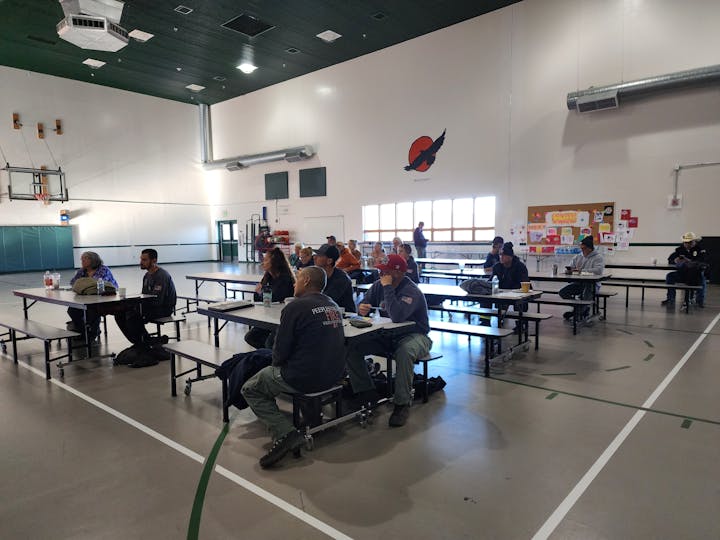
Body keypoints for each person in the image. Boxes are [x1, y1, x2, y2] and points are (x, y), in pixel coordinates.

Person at [241, 266, 346, 468]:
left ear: (306, 281)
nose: (294, 283)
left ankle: (286, 434)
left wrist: (275, 369)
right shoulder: (333, 306)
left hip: (304, 377)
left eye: (297, 279)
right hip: (334, 375)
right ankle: (308, 416)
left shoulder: (295, 307)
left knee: (251, 388)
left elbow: (280, 350)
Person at [346, 254, 432, 427]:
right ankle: (366, 392)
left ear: (397, 273)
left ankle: (402, 403)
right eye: (380, 270)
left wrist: (387, 288)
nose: (379, 274)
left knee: (404, 352)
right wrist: (361, 308)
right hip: (388, 335)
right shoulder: (379, 285)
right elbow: (363, 304)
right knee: (351, 347)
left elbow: (398, 316)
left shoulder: (411, 291)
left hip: (416, 335)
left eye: (384, 271)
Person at [115, 248, 176, 348]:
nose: (141, 262)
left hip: (163, 309)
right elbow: (144, 295)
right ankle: (144, 341)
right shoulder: (147, 275)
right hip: (150, 307)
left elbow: (158, 301)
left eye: (144, 260)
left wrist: (136, 306)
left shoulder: (161, 276)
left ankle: (143, 342)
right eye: (141, 259)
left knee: (132, 315)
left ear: (154, 261)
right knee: (120, 314)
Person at [245, 248, 296, 349]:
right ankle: (268, 355)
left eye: (266, 259)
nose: (262, 262)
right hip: (268, 316)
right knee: (250, 337)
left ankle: (272, 356)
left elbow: (277, 299)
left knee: (269, 343)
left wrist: (261, 293)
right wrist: (261, 294)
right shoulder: (268, 277)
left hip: (281, 319)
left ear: (275, 261)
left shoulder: (286, 279)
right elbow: (257, 297)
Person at [68, 251, 119, 342]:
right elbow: (73, 283)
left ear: (92, 260)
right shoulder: (82, 271)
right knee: (72, 310)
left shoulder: (103, 270)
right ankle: (83, 331)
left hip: (106, 298)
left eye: (85, 259)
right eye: (82, 259)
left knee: (91, 310)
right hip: (87, 297)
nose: (82, 261)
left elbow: (100, 284)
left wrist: (83, 284)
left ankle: (93, 332)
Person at [559, 236, 605, 319]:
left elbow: (598, 271)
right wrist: (569, 271)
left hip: (592, 284)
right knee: (563, 292)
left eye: (584, 248)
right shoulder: (578, 256)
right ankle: (580, 308)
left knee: (586, 292)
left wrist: (582, 271)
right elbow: (571, 266)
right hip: (578, 283)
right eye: (581, 248)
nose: (582, 250)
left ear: (590, 248)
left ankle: (579, 311)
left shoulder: (598, 257)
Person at [662, 232, 708, 308]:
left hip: (695, 275)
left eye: (689, 242)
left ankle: (700, 301)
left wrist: (689, 261)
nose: (687, 244)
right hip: (682, 274)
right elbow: (670, 259)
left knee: (702, 280)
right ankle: (670, 298)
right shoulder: (679, 249)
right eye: (685, 242)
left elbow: (702, 262)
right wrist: (674, 260)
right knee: (670, 276)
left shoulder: (700, 250)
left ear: (694, 241)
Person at [313, 244, 356, 313]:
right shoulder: (319, 275)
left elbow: (325, 301)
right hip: (326, 313)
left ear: (329, 261)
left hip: (345, 317)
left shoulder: (341, 279)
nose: (315, 257)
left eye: (320, 255)